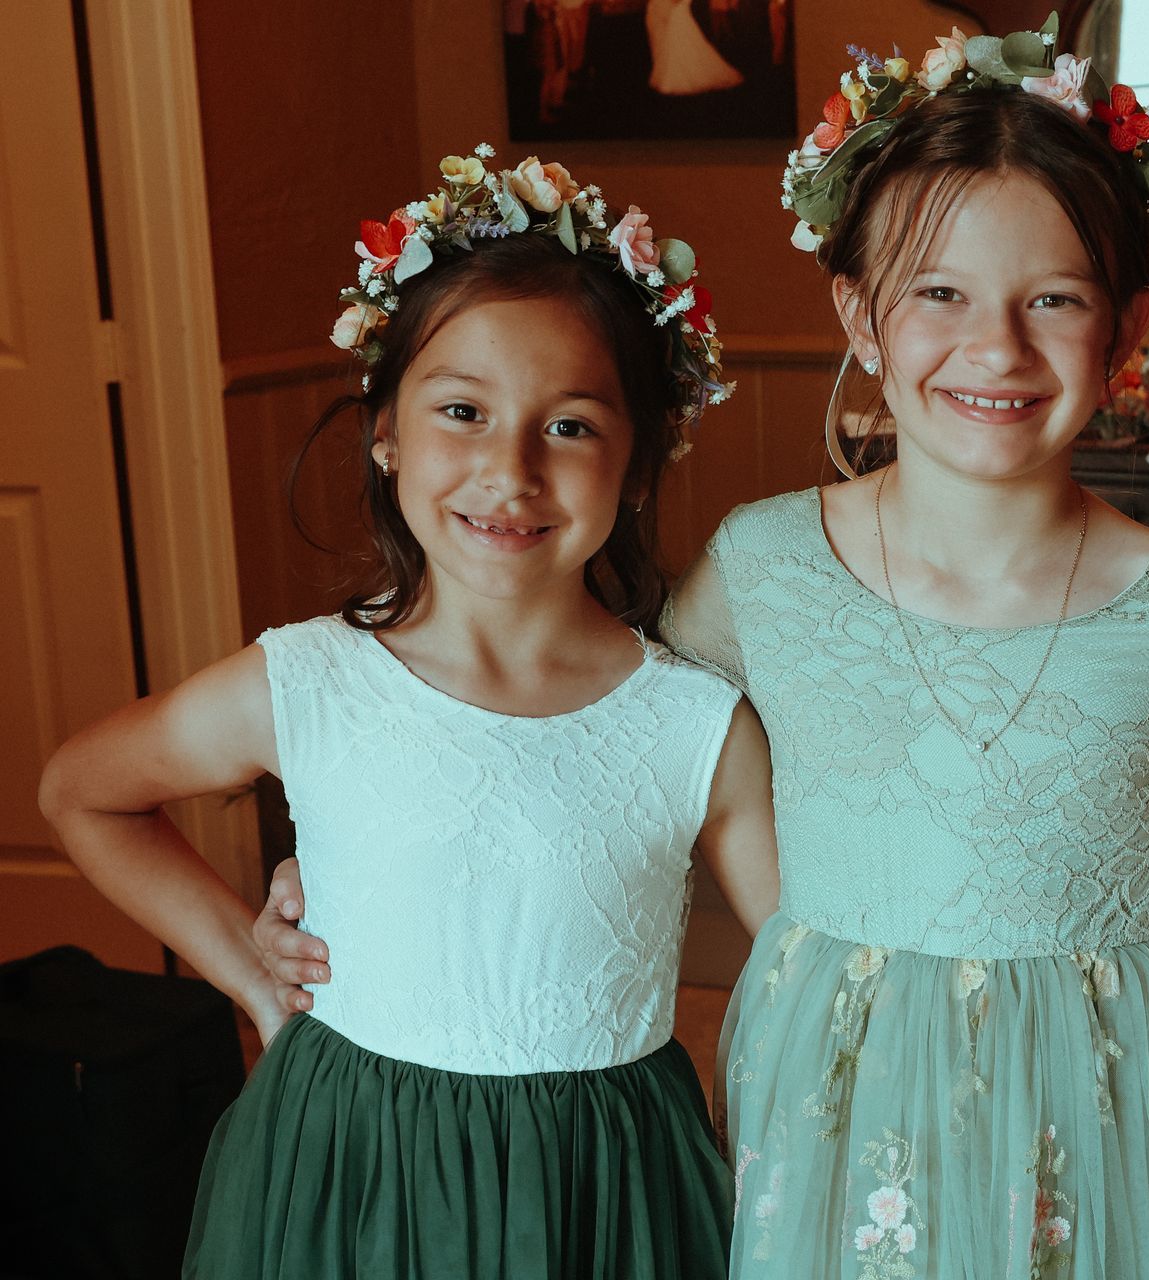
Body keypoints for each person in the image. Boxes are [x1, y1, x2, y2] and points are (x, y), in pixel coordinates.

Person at [252, 19, 1149, 1276]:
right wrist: (371, 873)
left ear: (1128, 324)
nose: (992, 347)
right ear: (860, 317)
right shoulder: (763, 568)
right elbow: (594, 749)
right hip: (839, 1096)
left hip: (1104, 1100)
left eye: (1054, 300)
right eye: (938, 291)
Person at [38, 146, 777, 1278]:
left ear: (639, 462)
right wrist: (245, 961)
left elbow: (804, 956)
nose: (510, 468)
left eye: (571, 425)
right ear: (386, 432)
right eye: (462, 411)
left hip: (606, 1192)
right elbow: (83, 791)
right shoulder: (306, 683)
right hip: (349, 1174)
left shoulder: (696, 724)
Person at [647, 0, 744, 96]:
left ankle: (679, 76)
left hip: (678, 14)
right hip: (677, 14)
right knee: (681, 46)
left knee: (683, 46)